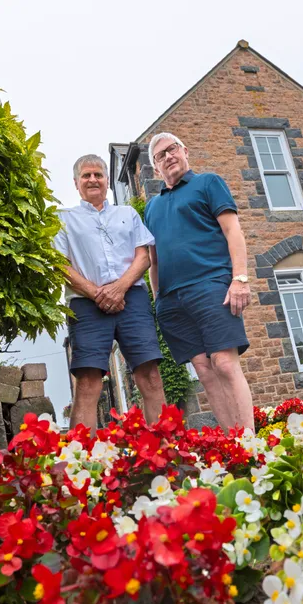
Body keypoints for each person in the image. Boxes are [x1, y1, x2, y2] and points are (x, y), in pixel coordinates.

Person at [143, 132, 254, 431]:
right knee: (204, 372)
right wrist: (158, 301)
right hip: (172, 300)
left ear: (185, 151)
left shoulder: (208, 183)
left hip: (211, 285)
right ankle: (233, 446)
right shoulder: (151, 208)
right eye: (160, 155)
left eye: (172, 149)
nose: (168, 157)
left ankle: (252, 444)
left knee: (225, 364)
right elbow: (153, 260)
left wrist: (240, 279)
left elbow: (233, 231)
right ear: (155, 168)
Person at [54, 154, 166, 429]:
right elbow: (60, 266)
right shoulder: (63, 219)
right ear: (76, 183)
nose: (93, 179)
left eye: (98, 175)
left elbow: (143, 257)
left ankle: (169, 450)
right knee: (88, 381)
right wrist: (98, 293)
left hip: (133, 299)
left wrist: (118, 288)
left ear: (106, 181)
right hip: (85, 304)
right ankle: (82, 462)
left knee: (149, 375)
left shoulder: (127, 213)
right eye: (86, 175)